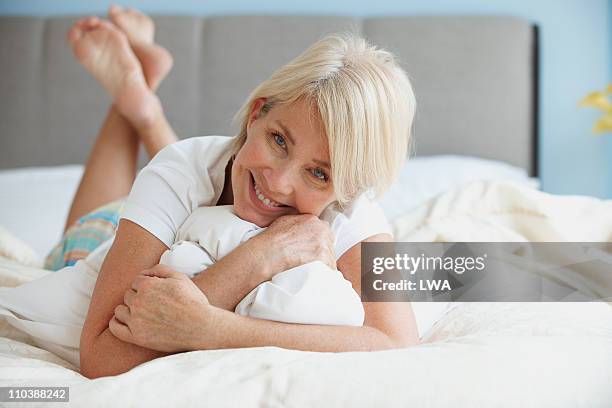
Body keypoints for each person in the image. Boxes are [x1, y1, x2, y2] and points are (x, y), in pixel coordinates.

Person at [7, 6, 420, 378]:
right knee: (96, 220)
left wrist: (213, 328)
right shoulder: (178, 170)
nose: (280, 181)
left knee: (219, 170)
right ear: (258, 112)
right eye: (279, 140)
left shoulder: (352, 207)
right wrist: (261, 255)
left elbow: (397, 341)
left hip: (179, 194)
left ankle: (141, 98)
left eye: (317, 174)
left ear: (347, 189)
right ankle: (138, 105)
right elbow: (102, 358)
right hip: (104, 235)